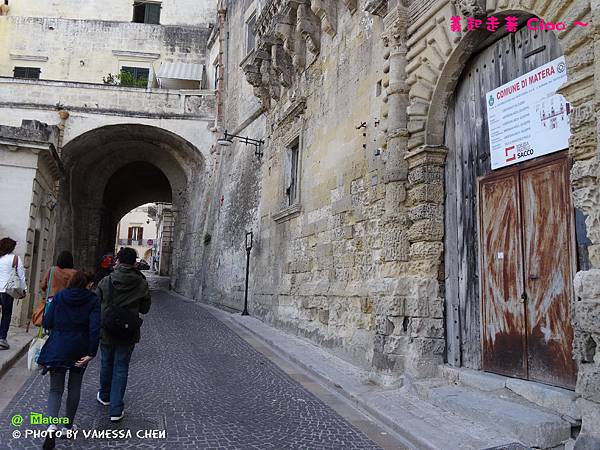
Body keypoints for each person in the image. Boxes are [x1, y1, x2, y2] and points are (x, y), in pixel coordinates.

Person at [37, 271, 100, 450]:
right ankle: (67, 427)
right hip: (80, 348)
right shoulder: (92, 300)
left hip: (58, 347)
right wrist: (91, 352)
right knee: (74, 387)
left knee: (55, 389)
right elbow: (95, 327)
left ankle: (51, 426)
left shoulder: (60, 296)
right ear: (88, 284)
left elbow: (47, 322)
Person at [96, 247, 151, 422]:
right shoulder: (141, 283)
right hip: (128, 331)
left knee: (106, 363)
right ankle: (116, 409)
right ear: (134, 262)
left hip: (107, 329)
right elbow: (145, 308)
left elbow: (96, 303)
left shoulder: (106, 281)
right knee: (121, 367)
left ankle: (104, 396)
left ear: (118, 261)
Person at [0, 237, 27, 350]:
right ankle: (2, 338)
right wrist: (23, 289)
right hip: (8, 291)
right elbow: (21, 275)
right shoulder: (15, 259)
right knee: (6, 314)